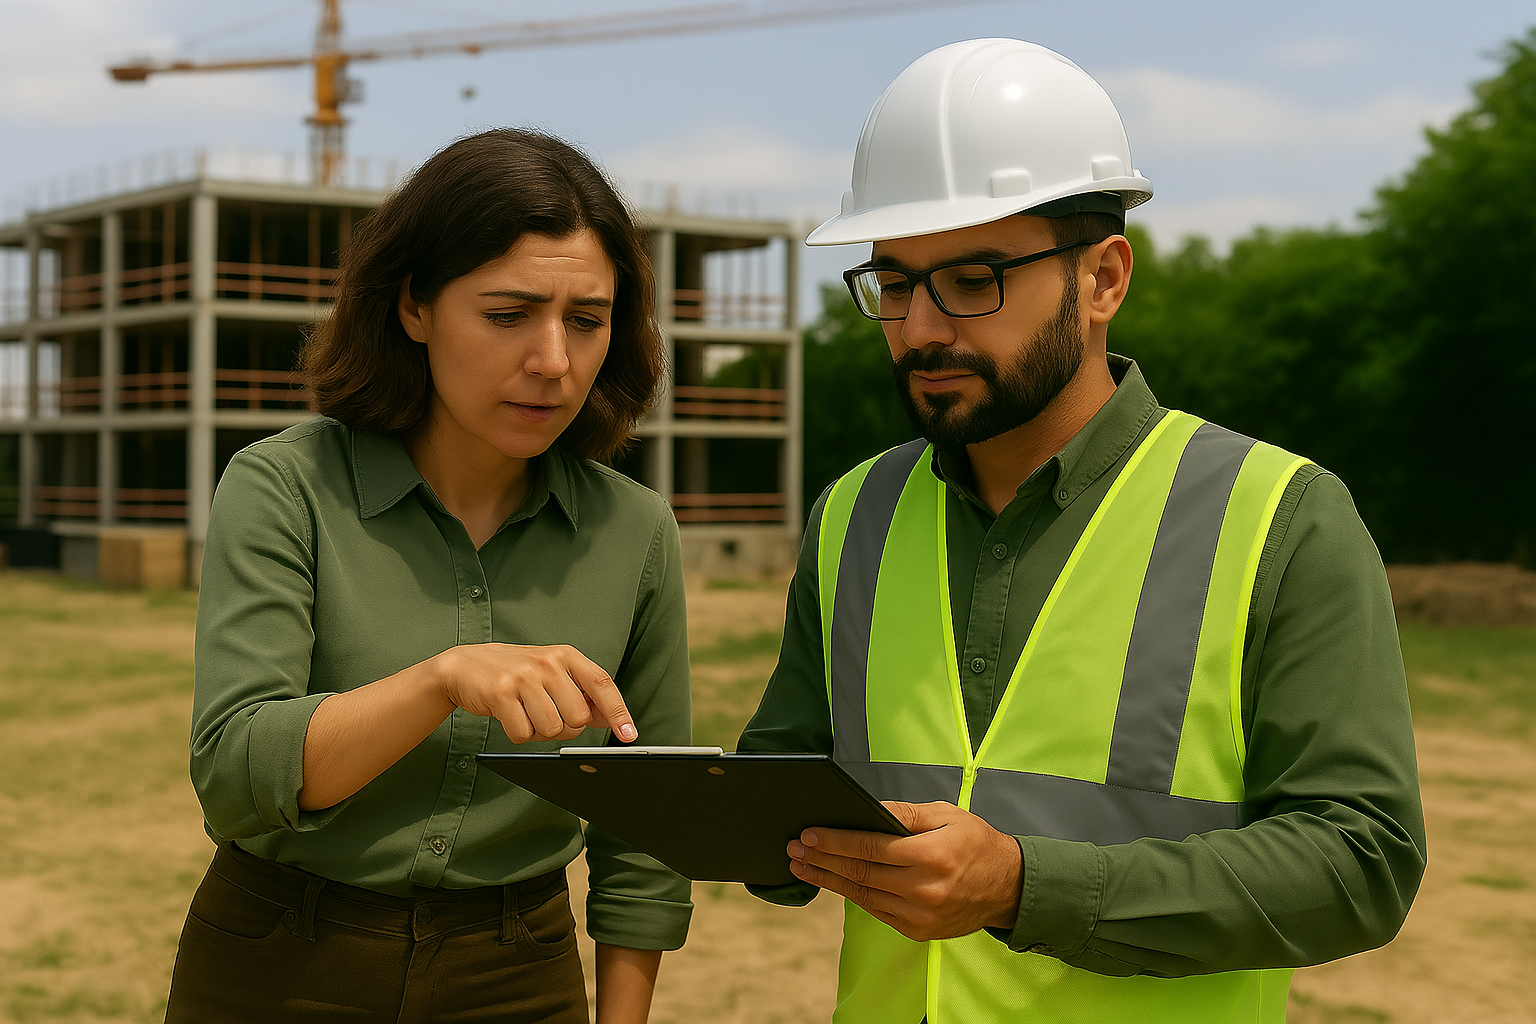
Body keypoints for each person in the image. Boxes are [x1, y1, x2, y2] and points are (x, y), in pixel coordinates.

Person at [738, 39, 1426, 1023]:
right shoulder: (855, 511)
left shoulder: (1283, 517)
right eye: (894, 284)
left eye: (973, 278)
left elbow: (1362, 864)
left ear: (1104, 278)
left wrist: (1024, 886)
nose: (923, 327)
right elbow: (784, 783)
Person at [167, 128, 692, 1024]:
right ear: (413, 306)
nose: (553, 362)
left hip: (522, 977)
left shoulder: (635, 530)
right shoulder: (284, 486)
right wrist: (441, 679)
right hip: (276, 965)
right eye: (507, 315)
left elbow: (647, 827)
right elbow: (235, 771)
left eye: (587, 321)